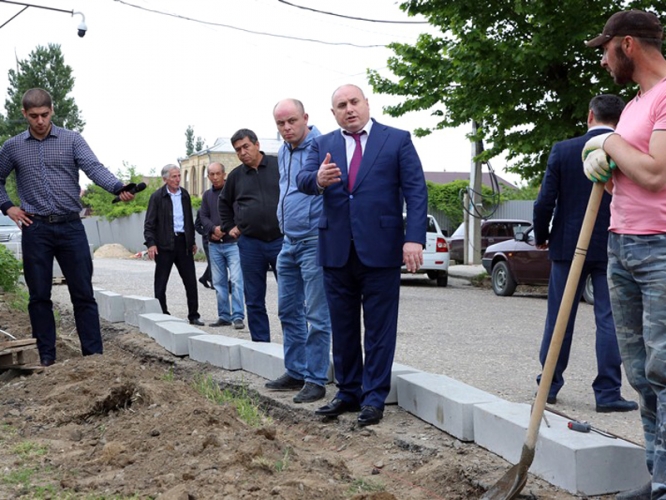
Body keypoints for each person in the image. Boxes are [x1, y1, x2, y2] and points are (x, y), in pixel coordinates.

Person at [297, 84, 428, 426]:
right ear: (334, 113)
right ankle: (348, 392)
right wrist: (319, 179)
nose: (349, 109)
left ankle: (373, 398)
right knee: (342, 327)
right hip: (336, 249)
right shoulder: (323, 144)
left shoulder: (397, 140)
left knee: (379, 329)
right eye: (341, 105)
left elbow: (416, 192)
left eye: (354, 102)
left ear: (367, 104)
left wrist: (414, 239)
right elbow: (303, 179)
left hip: (382, 248)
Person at [584, 10, 666, 500]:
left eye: (606, 50)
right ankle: (658, 476)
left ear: (628, 44)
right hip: (622, 243)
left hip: (659, 247)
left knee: (664, 369)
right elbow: (632, 179)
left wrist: (608, 141)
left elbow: (656, 174)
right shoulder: (635, 104)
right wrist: (604, 167)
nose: (603, 60)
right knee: (638, 373)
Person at [0, 88, 135, 366]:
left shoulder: (71, 140)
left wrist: (118, 187)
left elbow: (94, 168)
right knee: (39, 296)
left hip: (71, 227)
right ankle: (46, 359)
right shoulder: (13, 147)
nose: (40, 121)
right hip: (35, 229)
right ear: (24, 114)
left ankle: (93, 358)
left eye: (44, 114)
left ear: (52, 110)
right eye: (34, 116)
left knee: (83, 294)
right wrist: (8, 206)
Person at [533, 94, 638, 413]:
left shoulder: (564, 150)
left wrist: (542, 236)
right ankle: (607, 393)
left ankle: (549, 385)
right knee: (610, 319)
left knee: (559, 316)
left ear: (590, 115)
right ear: (621, 118)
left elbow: (544, 201)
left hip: (567, 245)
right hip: (612, 244)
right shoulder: (628, 152)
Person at [264, 99, 331, 404]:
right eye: (280, 123)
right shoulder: (283, 152)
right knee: (288, 310)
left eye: (292, 121)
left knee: (316, 314)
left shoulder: (323, 147)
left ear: (305, 117)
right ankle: (295, 370)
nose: (287, 128)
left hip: (314, 240)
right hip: (288, 241)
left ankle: (316, 379)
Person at [218, 129, 282, 342]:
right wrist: (229, 227)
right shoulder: (236, 176)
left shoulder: (279, 165)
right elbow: (223, 203)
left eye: (246, 146)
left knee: (291, 298)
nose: (242, 152)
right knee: (254, 299)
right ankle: (261, 346)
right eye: (238, 150)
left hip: (281, 241)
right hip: (251, 244)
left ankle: (296, 347)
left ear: (257, 144)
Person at [144, 164, 203, 326]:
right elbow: (149, 223)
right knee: (161, 281)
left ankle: (193, 315)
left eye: (179, 176)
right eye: (174, 177)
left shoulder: (184, 195)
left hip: (183, 243)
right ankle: (162, 313)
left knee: (190, 281)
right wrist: (151, 243)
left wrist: (192, 241)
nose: (178, 180)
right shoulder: (157, 197)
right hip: (164, 244)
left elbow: (188, 220)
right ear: (165, 179)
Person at [199, 162, 245, 329]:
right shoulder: (207, 195)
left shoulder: (234, 192)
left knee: (237, 280)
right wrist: (213, 229)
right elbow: (203, 216)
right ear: (208, 176)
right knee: (218, 283)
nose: (215, 177)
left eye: (218, 173)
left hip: (233, 244)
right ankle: (224, 316)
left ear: (224, 174)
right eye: (212, 174)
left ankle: (238, 316)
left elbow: (239, 213)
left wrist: (225, 229)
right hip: (214, 245)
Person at [194, 209, 213, 289]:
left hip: (218, 239)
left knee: (215, 260)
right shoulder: (201, 210)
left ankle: (204, 277)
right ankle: (212, 281)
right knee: (212, 260)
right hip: (207, 240)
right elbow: (197, 226)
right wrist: (205, 233)